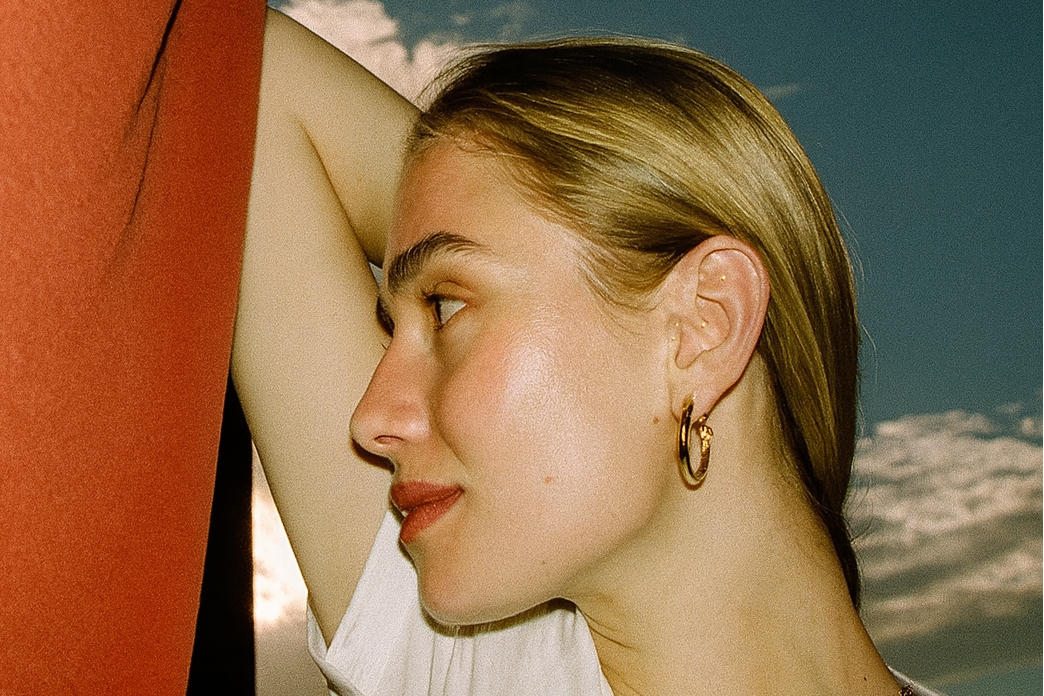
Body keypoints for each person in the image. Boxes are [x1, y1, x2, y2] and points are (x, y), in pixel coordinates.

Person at [240, 19, 943, 695]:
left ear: (706, 321)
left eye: (446, 308)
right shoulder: (455, 665)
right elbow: (243, 85)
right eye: (393, 328)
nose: (370, 419)